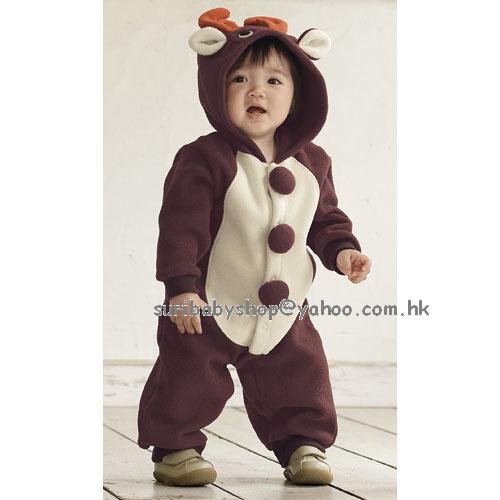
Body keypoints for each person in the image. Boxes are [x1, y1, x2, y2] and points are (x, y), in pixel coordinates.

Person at [137, 7, 371, 487]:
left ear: (298, 94)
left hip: (284, 306)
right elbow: (181, 227)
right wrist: (181, 287)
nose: (256, 90)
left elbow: (325, 219)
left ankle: (303, 443)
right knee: (189, 373)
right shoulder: (204, 159)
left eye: (273, 80)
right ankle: (175, 447)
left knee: (300, 372)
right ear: (215, 89)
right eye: (239, 78)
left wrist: (342, 251)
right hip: (208, 300)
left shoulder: (313, 162)